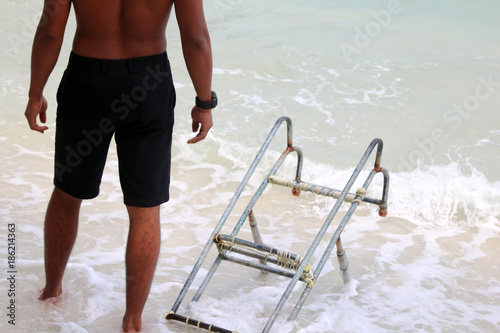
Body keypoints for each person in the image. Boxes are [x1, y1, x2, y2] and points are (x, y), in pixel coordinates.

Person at [24, 0, 216, 331]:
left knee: (68, 192)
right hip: (148, 81)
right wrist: (204, 102)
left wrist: (34, 93)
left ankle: (51, 291)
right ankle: (132, 321)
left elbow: (49, 30)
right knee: (145, 207)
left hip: (87, 81)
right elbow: (195, 36)